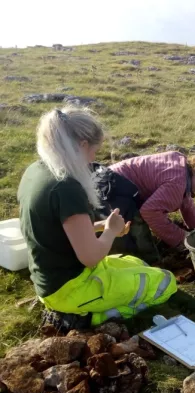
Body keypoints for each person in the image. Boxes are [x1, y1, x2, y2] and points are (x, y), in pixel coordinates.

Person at [17, 107, 177, 330]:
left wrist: (102, 225)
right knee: (166, 282)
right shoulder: (67, 187)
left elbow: (62, 229)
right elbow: (91, 257)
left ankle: (83, 307)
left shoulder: (36, 171)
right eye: (95, 150)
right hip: (70, 288)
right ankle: (89, 318)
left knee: (136, 263)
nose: (94, 158)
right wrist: (110, 231)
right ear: (82, 145)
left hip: (50, 277)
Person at [108, 152, 195, 254]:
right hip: (112, 191)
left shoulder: (181, 164)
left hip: (109, 177)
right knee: (138, 242)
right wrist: (182, 238)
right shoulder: (178, 182)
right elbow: (150, 212)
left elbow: (186, 202)